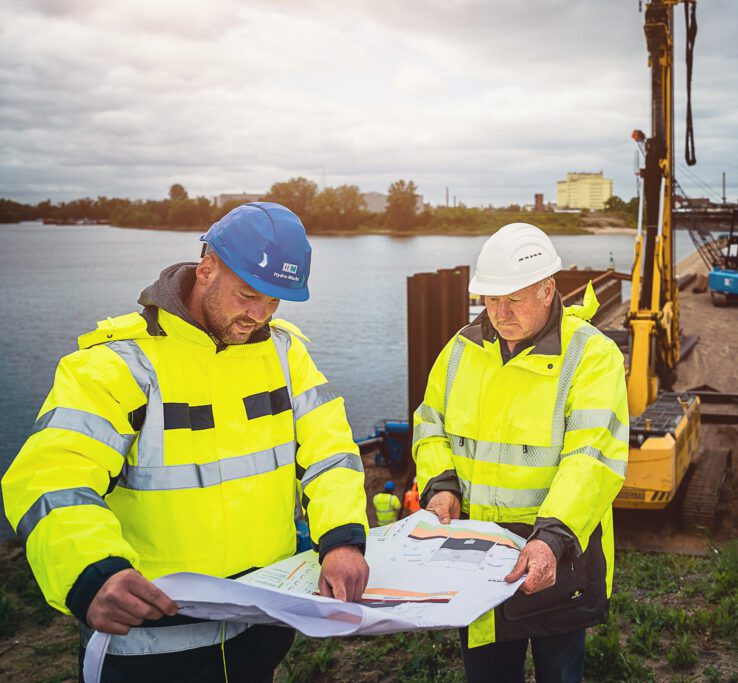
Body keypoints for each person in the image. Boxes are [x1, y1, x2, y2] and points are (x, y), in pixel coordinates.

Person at [2, 202, 370, 683]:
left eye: (274, 303)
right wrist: (90, 571)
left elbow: (331, 450)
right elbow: (51, 476)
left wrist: (341, 539)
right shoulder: (118, 364)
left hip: (259, 631)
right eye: (247, 295)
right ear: (207, 268)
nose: (257, 316)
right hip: (146, 644)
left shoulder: (285, 355)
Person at [411, 223, 628, 683]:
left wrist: (551, 538)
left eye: (514, 299)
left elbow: (591, 459)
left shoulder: (591, 356)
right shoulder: (459, 352)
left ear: (549, 290)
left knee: (560, 673)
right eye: (491, 299)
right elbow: (430, 427)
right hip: (478, 561)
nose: (500, 312)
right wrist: (441, 485)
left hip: (560, 558)